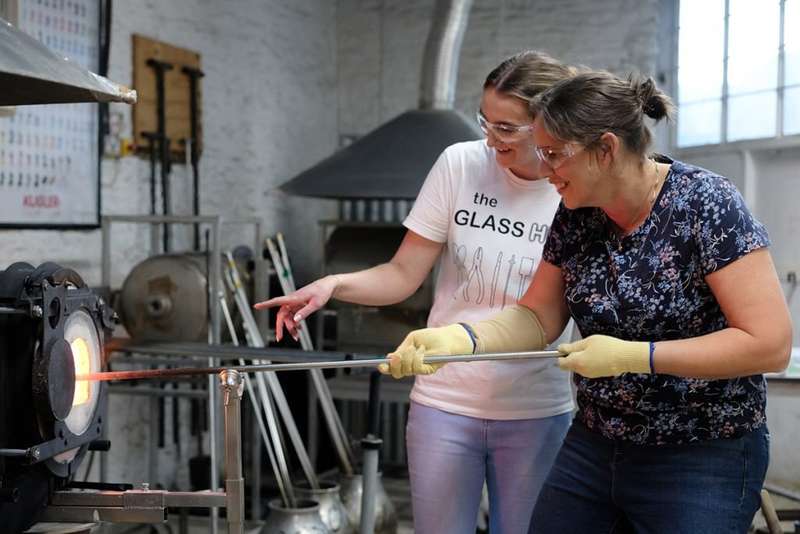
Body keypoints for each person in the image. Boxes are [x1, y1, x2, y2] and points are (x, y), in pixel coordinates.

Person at [383, 70, 793, 534]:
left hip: (700, 448)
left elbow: (769, 344)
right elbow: (538, 315)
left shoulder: (707, 204)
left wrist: (638, 357)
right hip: (599, 439)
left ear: (606, 149)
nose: (545, 168)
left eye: (555, 155)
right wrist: (460, 339)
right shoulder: (577, 213)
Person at [255, 51, 577, 534]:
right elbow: (403, 273)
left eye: (507, 129)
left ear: (548, 126)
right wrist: (335, 284)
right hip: (445, 401)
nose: (490, 139)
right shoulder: (460, 163)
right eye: (485, 121)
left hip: (536, 407)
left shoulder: (572, 190)